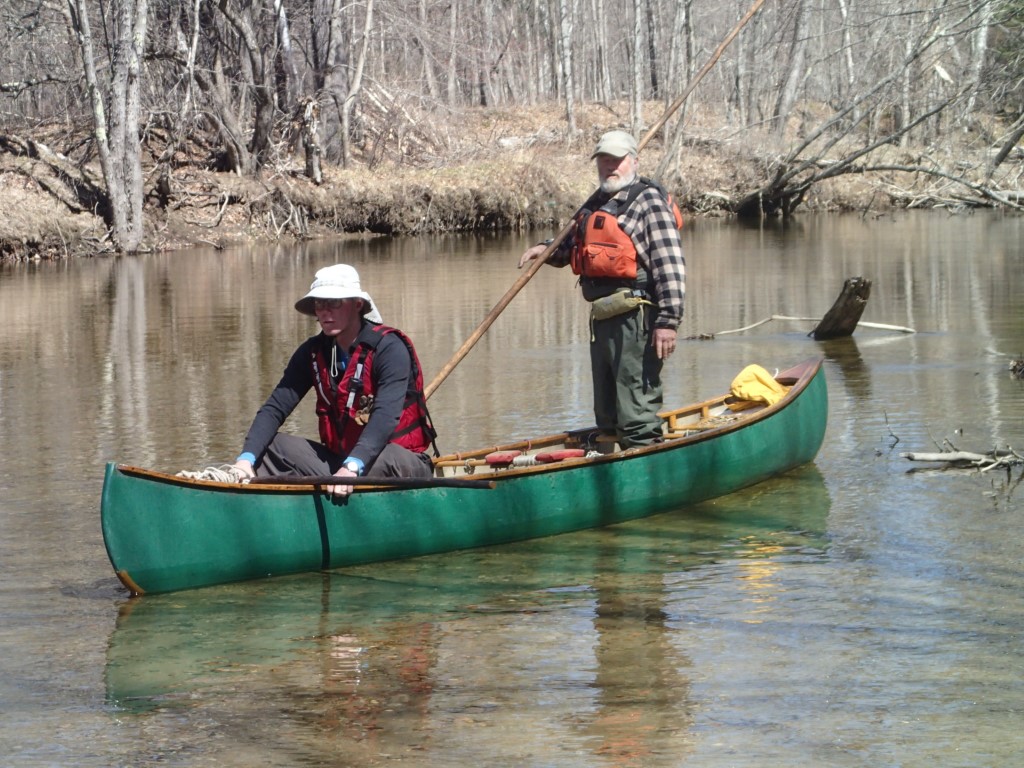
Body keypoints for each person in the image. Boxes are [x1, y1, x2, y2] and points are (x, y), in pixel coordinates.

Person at [518, 130, 685, 448]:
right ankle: (610, 463)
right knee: (607, 411)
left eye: (617, 160)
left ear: (634, 161)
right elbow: (571, 247)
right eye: (604, 160)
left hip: (637, 320)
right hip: (604, 318)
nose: (610, 166)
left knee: (635, 409)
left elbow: (671, 267)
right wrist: (546, 249)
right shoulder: (597, 202)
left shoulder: (648, 202)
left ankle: (643, 458)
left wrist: (668, 323)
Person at [229, 263, 437, 497]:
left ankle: (347, 480)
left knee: (385, 456)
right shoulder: (312, 352)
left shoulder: (389, 349)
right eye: (320, 304)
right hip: (342, 464)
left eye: (335, 302)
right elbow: (275, 408)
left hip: (401, 463)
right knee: (269, 446)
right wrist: (245, 460)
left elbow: (386, 417)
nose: (325, 311)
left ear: (357, 305)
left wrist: (352, 467)